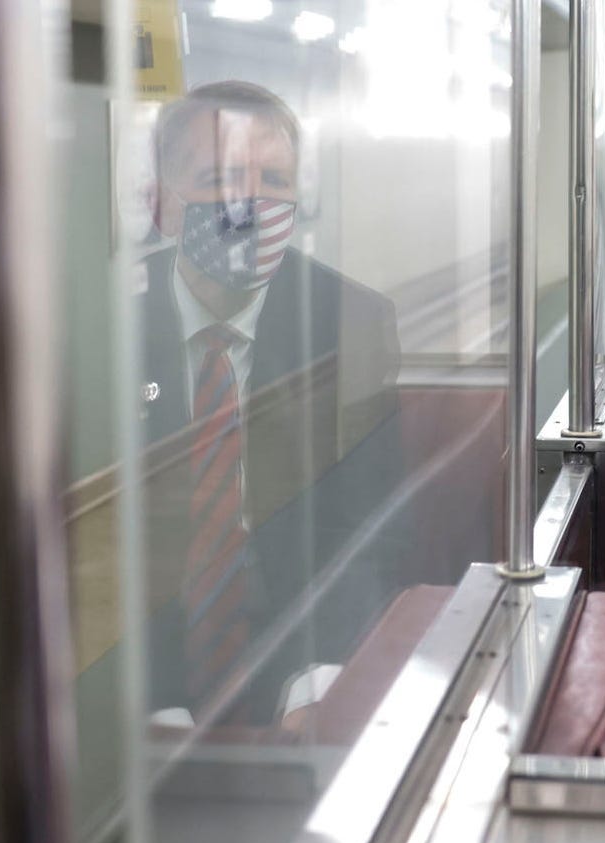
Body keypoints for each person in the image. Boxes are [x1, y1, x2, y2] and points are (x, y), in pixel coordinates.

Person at [136, 80, 403, 727]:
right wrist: (144, 699)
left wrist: (322, 675)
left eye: (275, 180)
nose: (250, 202)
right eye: (222, 177)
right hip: (144, 660)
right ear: (165, 204)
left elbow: (368, 525)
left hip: (293, 647)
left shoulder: (348, 319)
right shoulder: (102, 327)